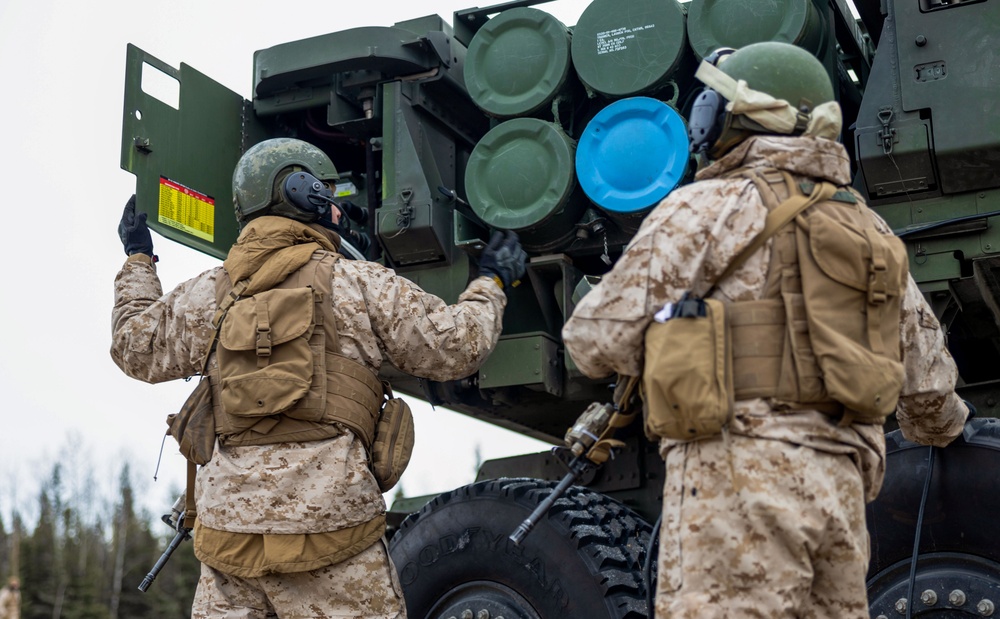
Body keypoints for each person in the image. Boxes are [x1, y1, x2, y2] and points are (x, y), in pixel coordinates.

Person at [562, 42, 969, 618]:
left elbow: (592, 341)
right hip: (841, 496)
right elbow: (928, 387)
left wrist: (672, 339)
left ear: (743, 116)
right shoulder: (871, 231)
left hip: (735, 485)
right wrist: (943, 429)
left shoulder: (703, 209)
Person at [111, 137, 526, 618]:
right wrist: (491, 282)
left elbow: (133, 347)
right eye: (329, 196)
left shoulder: (207, 293)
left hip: (229, 546)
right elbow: (458, 345)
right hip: (333, 541)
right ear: (303, 192)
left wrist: (138, 258)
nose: (337, 210)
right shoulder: (359, 282)